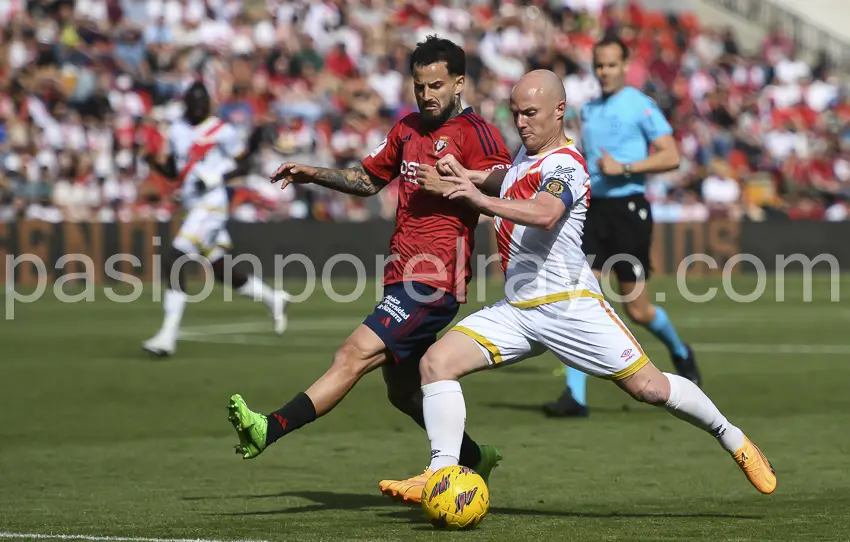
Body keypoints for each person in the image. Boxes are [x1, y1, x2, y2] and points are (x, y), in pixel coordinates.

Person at [382, 69, 776, 503]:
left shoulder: (567, 164)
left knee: (651, 389)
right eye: (516, 113)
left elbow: (546, 212)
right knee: (435, 364)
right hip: (517, 311)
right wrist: (468, 176)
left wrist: (474, 198)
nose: (522, 122)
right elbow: (510, 182)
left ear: (559, 111)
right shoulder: (526, 156)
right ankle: (439, 475)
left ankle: (732, 437)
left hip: (570, 307)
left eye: (531, 113)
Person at [224, 36, 513, 499]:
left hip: (435, 280)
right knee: (401, 391)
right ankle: (475, 457)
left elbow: (507, 178)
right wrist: (314, 174)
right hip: (402, 275)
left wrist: (461, 179)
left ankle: (269, 427)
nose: (427, 94)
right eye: (420, 86)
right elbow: (368, 180)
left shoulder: (474, 132)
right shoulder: (406, 129)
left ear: (460, 83)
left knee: (352, 353)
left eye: (436, 84)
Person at [544, 36, 700, 418]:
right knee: (580, 299)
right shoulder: (590, 110)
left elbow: (671, 156)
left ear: (625, 65)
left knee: (638, 310)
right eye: (599, 65)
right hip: (593, 210)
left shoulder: (641, 106)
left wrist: (626, 168)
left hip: (629, 209)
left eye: (611, 65)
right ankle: (575, 397)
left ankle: (680, 351)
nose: (604, 72)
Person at [142, 81, 291, 357]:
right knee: (221, 269)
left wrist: (217, 178)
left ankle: (167, 335)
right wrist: (155, 163)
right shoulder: (176, 130)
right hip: (192, 204)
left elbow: (244, 163)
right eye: (194, 105)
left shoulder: (222, 131)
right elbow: (176, 171)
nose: (198, 110)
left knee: (174, 259)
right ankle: (274, 298)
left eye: (202, 105)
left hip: (211, 205)